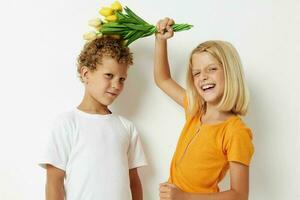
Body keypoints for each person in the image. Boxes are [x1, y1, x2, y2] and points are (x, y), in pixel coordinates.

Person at [155, 18, 254, 200]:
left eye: (212, 69)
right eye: (197, 73)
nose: (203, 77)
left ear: (230, 72)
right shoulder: (195, 110)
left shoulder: (235, 131)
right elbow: (163, 79)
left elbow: (240, 195)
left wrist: (185, 197)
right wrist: (160, 41)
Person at [39, 36, 147, 200]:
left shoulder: (126, 127)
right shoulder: (67, 123)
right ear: (86, 73)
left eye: (122, 79)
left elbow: (134, 182)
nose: (116, 85)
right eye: (109, 75)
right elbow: (54, 182)